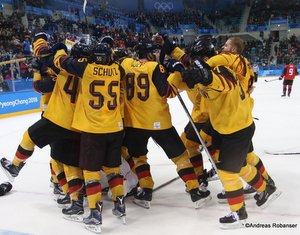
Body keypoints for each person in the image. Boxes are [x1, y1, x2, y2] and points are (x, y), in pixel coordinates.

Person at [181, 39, 280, 228]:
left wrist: (206, 76)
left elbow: (223, 83)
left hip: (237, 128)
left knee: (227, 171)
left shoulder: (221, 71)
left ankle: (239, 213)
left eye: (196, 60)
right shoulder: (208, 71)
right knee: (239, 165)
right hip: (226, 127)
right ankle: (264, 188)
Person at [120, 41, 211, 210]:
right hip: (159, 122)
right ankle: (195, 191)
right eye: (152, 52)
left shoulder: (125, 63)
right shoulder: (155, 67)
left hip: (134, 123)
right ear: (148, 54)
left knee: (139, 157)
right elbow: (168, 92)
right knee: (180, 158)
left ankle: (146, 190)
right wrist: (176, 71)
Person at [52, 42, 126, 233]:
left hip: (94, 130)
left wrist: (60, 48)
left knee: (91, 172)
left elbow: (62, 61)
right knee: (113, 169)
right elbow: (117, 65)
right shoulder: (118, 70)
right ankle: (120, 205)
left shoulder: (86, 68)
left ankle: (95, 213)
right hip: (115, 128)